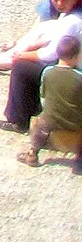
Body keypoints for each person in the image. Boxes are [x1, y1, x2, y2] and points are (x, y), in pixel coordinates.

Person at [0, 0, 82, 132]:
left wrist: (20, 56)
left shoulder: (72, 20)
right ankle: (32, 106)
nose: (59, 4)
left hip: (72, 71)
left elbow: (50, 53)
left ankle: (19, 120)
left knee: (21, 68)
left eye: (64, 0)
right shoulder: (70, 16)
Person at [17, 33, 82, 169]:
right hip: (76, 122)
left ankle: (32, 152)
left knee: (40, 122)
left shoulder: (47, 72)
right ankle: (79, 159)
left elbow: (43, 97)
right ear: (76, 57)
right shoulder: (79, 77)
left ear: (58, 54)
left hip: (51, 119)